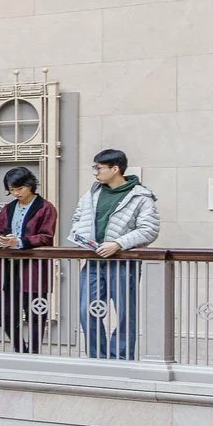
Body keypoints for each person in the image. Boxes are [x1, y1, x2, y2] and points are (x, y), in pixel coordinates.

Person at [67, 149, 160, 361]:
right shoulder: (92, 193)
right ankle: (97, 358)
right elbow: (77, 218)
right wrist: (82, 239)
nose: (95, 172)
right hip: (93, 261)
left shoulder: (141, 196)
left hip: (123, 263)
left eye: (98, 168)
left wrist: (117, 244)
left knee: (125, 313)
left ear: (115, 169)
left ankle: (120, 358)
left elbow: (149, 230)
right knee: (86, 311)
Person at [0, 166, 58, 354]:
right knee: (6, 314)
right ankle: (21, 349)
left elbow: (46, 236)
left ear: (30, 185)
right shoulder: (8, 208)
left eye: (20, 189)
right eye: (12, 190)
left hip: (34, 268)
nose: (16, 193)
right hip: (9, 269)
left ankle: (34, 353)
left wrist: (19, 241)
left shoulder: (46, 208)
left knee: (36, 313)